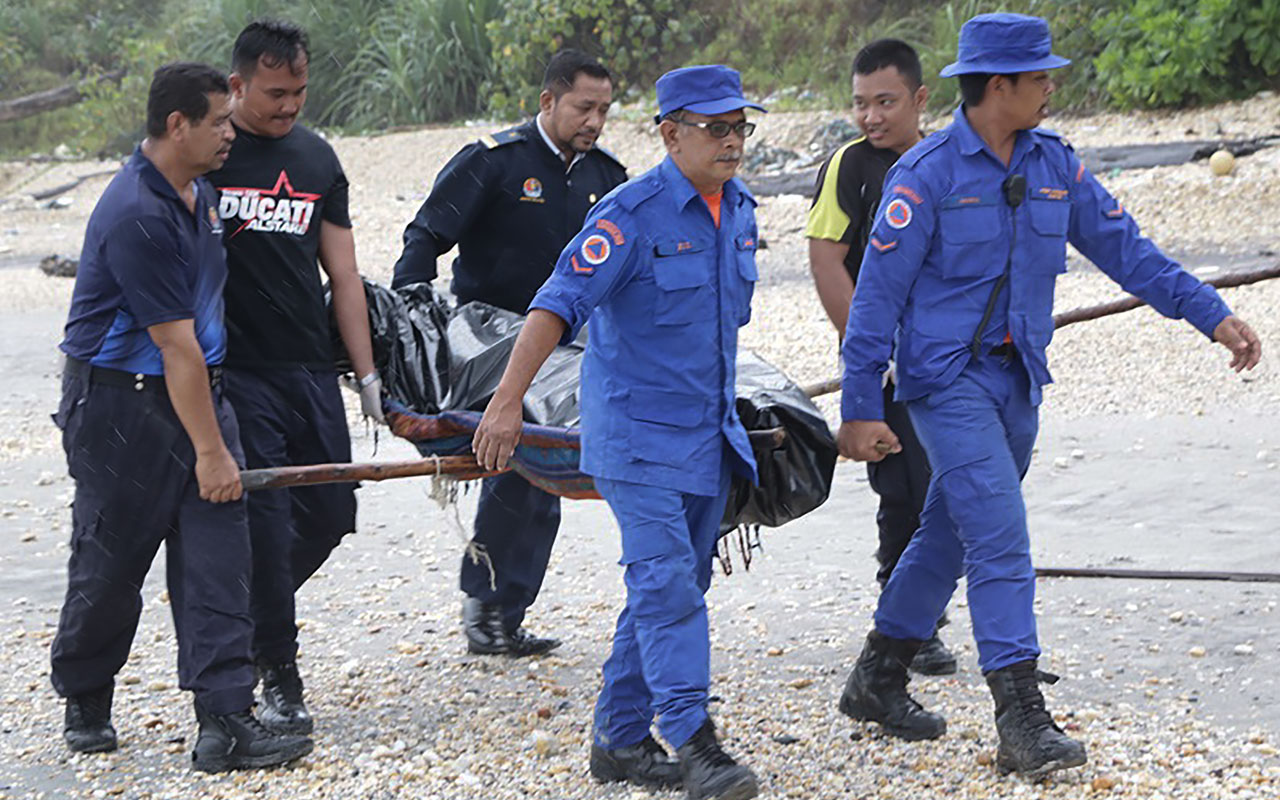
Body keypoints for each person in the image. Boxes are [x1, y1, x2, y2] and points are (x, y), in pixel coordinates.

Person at [836, 13, 1262, 778]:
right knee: (1001, 536)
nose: (1050, 87)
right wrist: (860, 408)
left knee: (951, 534)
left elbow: (1129, 253)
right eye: (1039, 77)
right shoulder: (925, 175)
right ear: (998, 87)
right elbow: (874, 301)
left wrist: (1213, 315)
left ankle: (877, 673)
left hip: (1018, 378)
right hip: (944, 381)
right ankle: (1021, 717)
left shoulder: (1055, 164)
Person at [473, 64, 766, 800]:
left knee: (677, 583)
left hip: (707, 434)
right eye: (714, 129)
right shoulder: (628, 217)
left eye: (739, 127)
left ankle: (620, 738)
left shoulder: (742, 211)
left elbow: (725, 334)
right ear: (670, 134)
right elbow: (554, 306)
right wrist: (507, 403)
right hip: (636, 437)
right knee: (667, 586)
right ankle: (694, 740)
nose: (731, 142)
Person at [50, 62, 313, 771]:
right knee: (112, 560)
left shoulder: (200, 195)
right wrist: (211, 451)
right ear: (177, 126)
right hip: (120, 403)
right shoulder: (137, 211)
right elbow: (172, 345)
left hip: (201, 387)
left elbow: (199, 343)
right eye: (220, 121)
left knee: (218, 559)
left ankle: (224, 720)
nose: (233, 132)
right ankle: (85, 692)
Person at [392, 49, 627, 657]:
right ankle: (487, 608)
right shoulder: (494, 161)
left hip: (568, 347)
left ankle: (507, 611)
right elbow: (425, 238)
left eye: (604, 110)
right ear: (548, 101)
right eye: (583, 107)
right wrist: (407, 327)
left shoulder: (608, 177)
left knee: (549, 472)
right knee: (519, 465)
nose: (594, 121)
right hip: (490, 339)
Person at [207, 19, 382, 735]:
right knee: (270, 525)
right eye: (276, 93)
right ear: (238, 84)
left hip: (308, 366)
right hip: (239, 370)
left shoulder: (316, 159)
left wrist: (367, 375)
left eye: (300, 92)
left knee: (333, 515)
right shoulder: (211, 153)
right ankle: (278, 669)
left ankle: (244, 619)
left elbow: (342, 273)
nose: (289, 106)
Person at [805, 38, 956, 677]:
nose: (871, 117)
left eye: (885, 102)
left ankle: (922, 611)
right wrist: (868, 353)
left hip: (952, 362)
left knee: (954, 487)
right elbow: (825, 259)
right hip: (885, 366)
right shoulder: (849, 166)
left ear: (921, 100)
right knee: (903, 490)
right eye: (862, 103)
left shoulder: (952, 160)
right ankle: (908, 626)